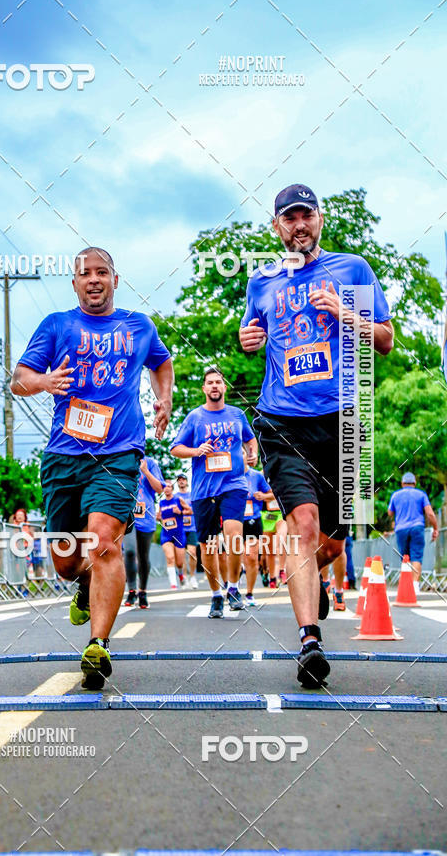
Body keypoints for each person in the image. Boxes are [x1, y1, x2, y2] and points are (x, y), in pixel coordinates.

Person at [240, 183, 393, 687]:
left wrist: (345, 315)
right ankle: (310, 641)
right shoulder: (261, 281)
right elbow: (252, 335)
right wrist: (248, 340)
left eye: (306, 215)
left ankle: (319, 575)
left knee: (335, 539)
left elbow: (386, 341)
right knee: (301, 522)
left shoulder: (352, 269)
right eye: (289, 218)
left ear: (319, 219)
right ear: (277, 227)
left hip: (347, 417)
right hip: (282, 419)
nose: (298, 225)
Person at [11, 246, 173, 690]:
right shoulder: (57, 325)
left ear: (115, 280)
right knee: (66, 561)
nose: (95, 280)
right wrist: (44, 381)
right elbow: (19, 379)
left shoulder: (139, 326)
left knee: (104, 543)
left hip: (119, 453)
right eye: (86, 274)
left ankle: (97, 645)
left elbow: (161, 362)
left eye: (103, 272)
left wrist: (165, 398)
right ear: (75, 283)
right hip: (64, 456)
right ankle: (81, 581)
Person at [170, 367, 258, 618]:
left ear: (224, 386)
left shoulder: (237, 415)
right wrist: (196, 450)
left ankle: (233, 587)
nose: (214, 386)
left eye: (218, 382)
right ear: (204, 389)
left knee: (233, 536)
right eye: (210, 383)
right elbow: (176, 448)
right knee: (207, 547)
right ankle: (216, 595)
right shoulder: (195, 417)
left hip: (234, 485)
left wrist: (252, 453)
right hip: (203, 490)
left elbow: (250, 439)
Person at [123, 456, 164, 608]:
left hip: (146, 517)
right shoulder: (122, 459)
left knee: (143, 556)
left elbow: (159, 488)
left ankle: (143, 591)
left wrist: (145, 471)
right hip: (127, 514)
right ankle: (131, 590)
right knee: (129, 552)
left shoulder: (150, 462)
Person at [388, 472, 438, 585]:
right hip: (417, 527)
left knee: (405, 557)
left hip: (401, 529)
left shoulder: (395, 495)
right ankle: (415, 586)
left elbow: (390, 513)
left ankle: (406, 587)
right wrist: (435, 528)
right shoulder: (421, 494)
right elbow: (430, 513)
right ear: (414, 483)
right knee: (416, 556)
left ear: (402, 483)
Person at [242, 449, 274, 606]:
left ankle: (249, 593)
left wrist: (263, 496)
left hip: (253, 520)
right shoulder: (229, 476)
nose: (240, 456)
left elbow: (272, 494)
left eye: (243, 453)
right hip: (233, 521)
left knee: (252, 557)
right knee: (234, 556)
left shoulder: (256, 476)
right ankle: (232, 587)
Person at [156, 481, 190, 588]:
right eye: (164, 487)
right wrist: (158, 517)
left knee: (179, 562)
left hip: (179, 533)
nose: (166, 488)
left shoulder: (178, 500)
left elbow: (190, 511)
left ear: (172, 489)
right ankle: (173, 584)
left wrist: (180, 512)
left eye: (169, 486)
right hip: (166, 534)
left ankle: (180, 574)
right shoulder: (161, 503)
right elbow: (159, 516)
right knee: (170, 558)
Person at [176, 472, 199, 588]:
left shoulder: (192, 495)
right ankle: (184, 578)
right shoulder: (175, 497)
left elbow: (195, 511)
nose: (181, 481)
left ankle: (193, 576)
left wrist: (186, 509)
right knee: (181, 555)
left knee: (192, 552)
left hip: (192, 527)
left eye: (183, 479)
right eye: (179, 480)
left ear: (187, 482)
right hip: (179, 528)